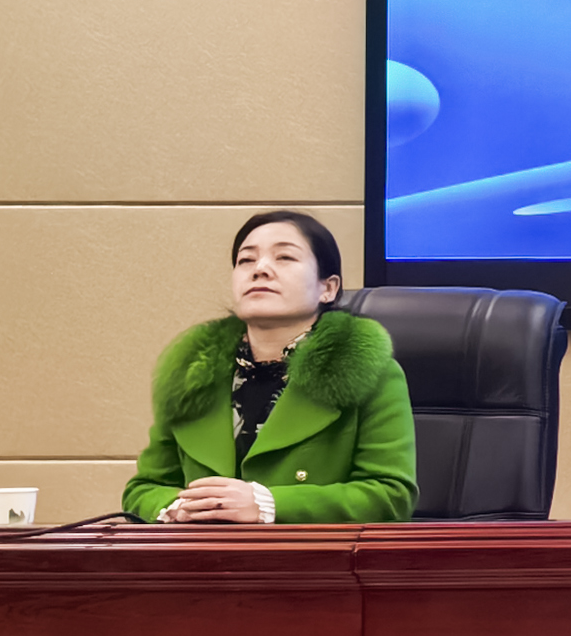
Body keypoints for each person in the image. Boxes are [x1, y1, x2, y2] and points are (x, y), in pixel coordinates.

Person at [123, 210, 416, 523]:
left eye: (284, 257)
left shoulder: (369, 372)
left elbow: (391, 494)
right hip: (202, 553)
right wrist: (178, 508)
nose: (260, 269)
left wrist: (269, 505)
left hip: (314, 554)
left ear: (327, 288)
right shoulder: (192, 375)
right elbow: (143, 489)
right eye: (246, 260)